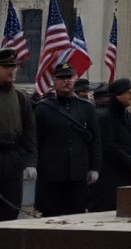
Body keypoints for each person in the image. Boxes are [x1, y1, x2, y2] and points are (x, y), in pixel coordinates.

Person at [33, 62, 101, 216]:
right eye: (62, 78)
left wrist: (94, 167)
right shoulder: (43, 109)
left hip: (78, 174)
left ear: (74, 79)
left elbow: (95, 140)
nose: (66, 81)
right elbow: (35, 140)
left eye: (69, 77)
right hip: (51, 175)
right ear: (54, 81)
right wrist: (32, 165)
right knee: (51, 217)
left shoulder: (86, 108)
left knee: (77, 216)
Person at [0, 49, 36, 223]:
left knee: (9, 214)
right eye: (5, 66)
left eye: (14, 66)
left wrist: (30, 163)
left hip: (12, 161)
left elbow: (29, 133)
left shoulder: (21, 98)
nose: (11, 70)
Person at [91, 78, 131, 212]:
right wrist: (129, 161)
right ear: (118, 95)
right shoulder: (105, 116)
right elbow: (109, 144)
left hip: (128, 172)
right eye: (128, 93)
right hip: (112, 172)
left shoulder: (127, 115)